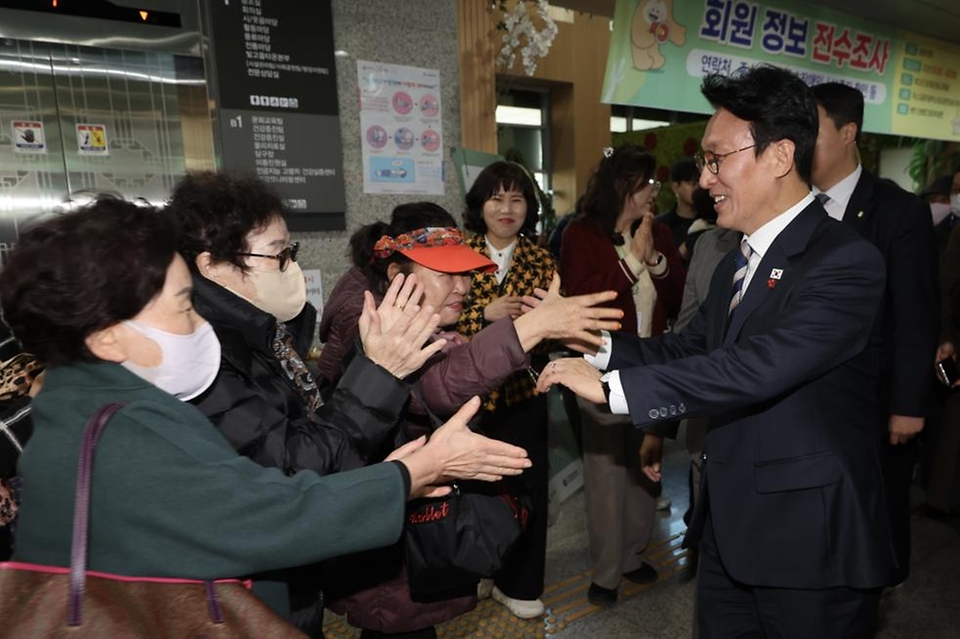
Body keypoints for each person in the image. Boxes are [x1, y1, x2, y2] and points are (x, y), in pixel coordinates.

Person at [0, 196, 533, 628]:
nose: (199, 323)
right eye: (185, 306)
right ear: (110, 335)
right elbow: (272, 513)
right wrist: (413, 474)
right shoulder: (123, 429)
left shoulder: (80, 402)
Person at [539, 65, 894, 636]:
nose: (704, 180)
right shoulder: (736, 258)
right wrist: (598, 346)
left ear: (778, 156)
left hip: (809, 546)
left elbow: (756, 367)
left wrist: (612, 390)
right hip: (728, 532)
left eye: (716, 158)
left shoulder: (845, 261)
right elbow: (688, 347)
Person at [320, 202, 621, 638]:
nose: (462, 286)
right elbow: (436, 388)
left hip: (401, 530)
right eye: (446, 274)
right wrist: (530, 329)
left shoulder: (409, 314)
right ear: (397, 275)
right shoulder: (370, 322)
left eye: (465, 273)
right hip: (387, 540)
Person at [167, 171, 443, 634]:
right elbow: (292, 467)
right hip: (249, 594)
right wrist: (378, 373)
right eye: (279, 255)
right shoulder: (203, 357)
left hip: (289, 581)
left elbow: (309, 426)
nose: (292, 265)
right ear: (212, 266)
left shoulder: (261, 334)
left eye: (290, 252)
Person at [811, 82, 940, 587]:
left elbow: (916, 314)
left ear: (848, 133)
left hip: (876, 397)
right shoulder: (794, 206)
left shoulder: (897, 212)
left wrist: (909, 404)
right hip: (814, 396)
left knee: (876, 518)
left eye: (813, 130)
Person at [559, 144, 686, 606]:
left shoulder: (662, 233)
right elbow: (585, 300)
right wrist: (631, 262)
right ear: (622, 187)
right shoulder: (580, 235)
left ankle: (633, 554)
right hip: (599, 366)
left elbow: (678, 299)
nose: (654, 191)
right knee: (605, 470)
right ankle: (607, 571)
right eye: (646, 184)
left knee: (647, 466)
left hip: (656, 366)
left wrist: (654, 260)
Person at [457, 161, 555, 619]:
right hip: (466, 397)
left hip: (521, 394)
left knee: (528, 488)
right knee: (469, 490)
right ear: (480, 204)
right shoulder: (458, 252)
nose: (507, 208)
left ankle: (519, 582)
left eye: (517, 199)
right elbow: (440, 315)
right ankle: (473, 572)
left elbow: (552, 327)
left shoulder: (541, 258)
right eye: (496, 198)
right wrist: (484, 315)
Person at [657, 157, 701, 250]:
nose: (697, 188)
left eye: (699, 183)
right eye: (691, 183)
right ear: (675, 187)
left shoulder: (710, 222)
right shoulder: (661, 226)